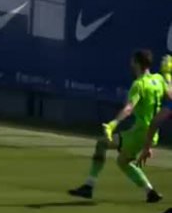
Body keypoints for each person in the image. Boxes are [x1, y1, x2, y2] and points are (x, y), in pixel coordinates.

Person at [68, 49, 164, 203]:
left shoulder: (139, 85)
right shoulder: (159, 80)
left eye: (133, 62)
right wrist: (169, 76)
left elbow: (129, 108)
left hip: (140, 132)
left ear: (137, 63)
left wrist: (113, 124)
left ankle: (88, 186)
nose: (131, 64)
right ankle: (150, 192)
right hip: (152, 134)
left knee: (101, 144)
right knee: (123, 161)